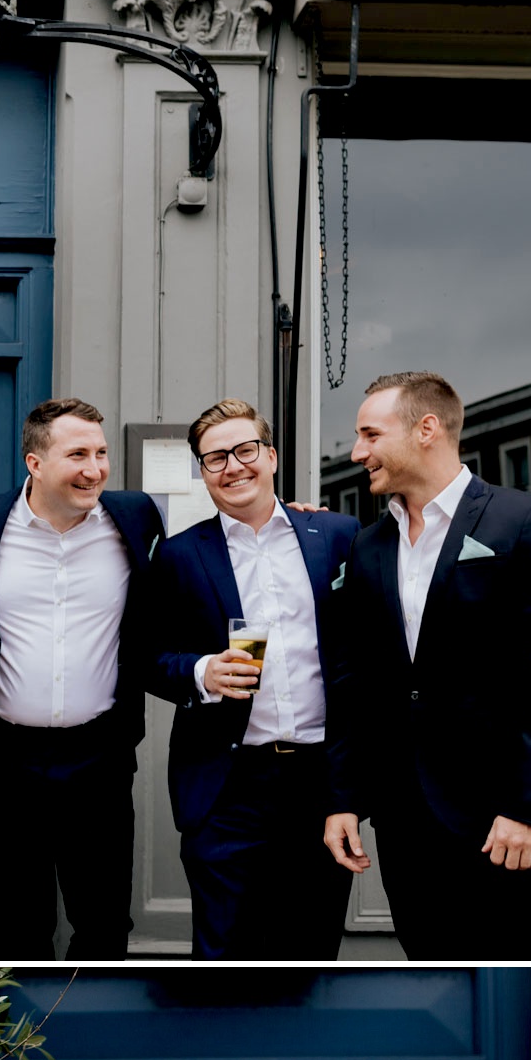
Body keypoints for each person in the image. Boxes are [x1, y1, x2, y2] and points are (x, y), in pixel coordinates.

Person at [323, 370, 531, 961]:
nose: (357, 452)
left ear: (427, 429)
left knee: (508, 983)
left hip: (502, 821)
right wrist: (344, 796)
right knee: (429, 970)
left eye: (369, 434)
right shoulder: (369, 546)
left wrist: (528, 807)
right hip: (403, 818)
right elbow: (353, 681)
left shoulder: (528, 521)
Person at [0, 399, 164, 959]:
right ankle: (15, 1043)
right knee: (12, 925)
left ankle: (97, 1038)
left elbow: (210, 545)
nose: (94, 468)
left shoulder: (136, 516)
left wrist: (289, 517)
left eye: (101, 453)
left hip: (100, 756)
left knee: (105, 921)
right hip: (1, 758)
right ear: (35, 463)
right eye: (77, 455)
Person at [149, 399, 360, 960]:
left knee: (310, 946)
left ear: (269, 457)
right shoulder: (177, 556)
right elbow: (143, 655)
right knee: (224, 951)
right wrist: (200, 670)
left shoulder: (339, 537)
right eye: (214, 458)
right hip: (227, 784)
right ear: (201, 472)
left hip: (320, 780)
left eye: (245, 451)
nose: (232, 466)